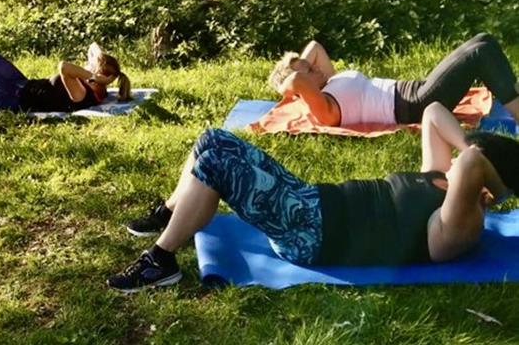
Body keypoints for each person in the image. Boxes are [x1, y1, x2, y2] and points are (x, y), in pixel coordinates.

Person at [110, 109, 518, 292]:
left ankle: (161, 261)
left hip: (310, 234)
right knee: (212, 139)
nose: (464, 155)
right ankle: (169, 212)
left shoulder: (460, 229)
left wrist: (495, 187)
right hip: (310, 200)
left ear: (486, 182)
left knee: (216, 162)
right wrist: (471, 143)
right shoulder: (439, 178)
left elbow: (470, 166)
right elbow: (432, 113)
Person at [268, 34, 519, 127]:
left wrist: (299, 65)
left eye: (310, 65)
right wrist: (288, 84)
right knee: (479, 53)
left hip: (417, 89)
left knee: (483, 41)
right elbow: (298, 81)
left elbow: (314, 46)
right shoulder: (326, 108)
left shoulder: (329, 81)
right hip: (418, 104)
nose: (314, 67)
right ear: (300, 88)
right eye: (308, 70)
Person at [0, 43, 131, 119]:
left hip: (12, 99)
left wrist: (94, 76)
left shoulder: (84, 93)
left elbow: (63, 66)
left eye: (92, 64)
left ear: (101, 76)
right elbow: (93, 47)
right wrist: (98, 71)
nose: (88, 62)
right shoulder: (90, 82)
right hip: (22, 84)